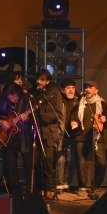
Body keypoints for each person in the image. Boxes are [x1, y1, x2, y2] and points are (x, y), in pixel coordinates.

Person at [0, 82, 33, 194]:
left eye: (14, 96)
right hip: (7, 138)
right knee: (10, 165)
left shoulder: (27, 100)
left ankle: (29, 190)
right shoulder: (3, 101)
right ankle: (14, 191)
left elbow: (35, 119)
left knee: (28, 164)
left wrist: (27, 119)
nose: (12, 99)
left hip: (24, 137)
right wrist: (0, 121)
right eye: (9, 97)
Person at [70, 81, 107, 195]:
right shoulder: (80, 102)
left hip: (97, 138)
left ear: (96, 90)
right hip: (82, 137)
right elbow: (74, 116)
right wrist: (74, 122)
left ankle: (96, 185)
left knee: (102, 163)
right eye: (86, 87)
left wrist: (104, 120)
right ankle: (83, 186)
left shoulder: (102, 103)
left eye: (90, 87)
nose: (87, 89)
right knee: (82, 163)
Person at [32, 69, 64, 199]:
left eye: (42, 79)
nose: (38, 82)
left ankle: (48, 188)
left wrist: (41, 115)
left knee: (48, 161)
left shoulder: (54, 93)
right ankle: (38, 188)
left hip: (49, 132)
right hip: (36, 131)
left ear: (48, 81)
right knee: (36, 161)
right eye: (38, 79)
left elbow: (58, 114)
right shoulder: (34, 93)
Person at [55, 79, 79, 194]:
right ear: (63, 90)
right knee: (60, 159)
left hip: (72, 134)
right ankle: (59, 184)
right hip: (60, 133)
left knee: (72, 160)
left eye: (73, 88)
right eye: (68, 88)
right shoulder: (59, 100)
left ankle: (66, 183)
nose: (71, 90)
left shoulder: (77, 100)